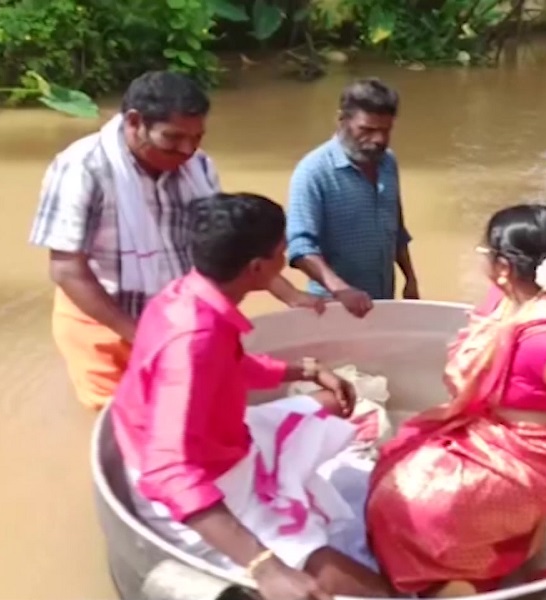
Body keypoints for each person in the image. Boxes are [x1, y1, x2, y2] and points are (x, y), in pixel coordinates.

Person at [365, 204, 546, 597]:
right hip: (498, 435)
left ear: (504, 266)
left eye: (485, 255)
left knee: (415, 507)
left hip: (538, 457)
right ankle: (490, 554)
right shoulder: (508, 303)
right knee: (398, 464)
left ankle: (450, 578)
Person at [111, 192, 392, 600]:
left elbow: (230, 366)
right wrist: (266, 567)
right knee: (363, 589)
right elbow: (168, 470)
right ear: (258, 268)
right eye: (282, 252)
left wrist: (306, 370)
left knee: (334, 404)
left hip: (224, 441)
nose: (285, 261)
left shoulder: (187, 295)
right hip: (198, 484)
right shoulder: (193, 339)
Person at [28, 70, 320, 410]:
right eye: (173, 138)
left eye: (196, 138)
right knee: (119, 423)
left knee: (188, 408)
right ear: (135, 122)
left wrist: (289, 294)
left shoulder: (198, 166)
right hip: (106, 324)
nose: (187, 150)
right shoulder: (82, 168)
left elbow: (228, 240)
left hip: (178, 323)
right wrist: (143, 336)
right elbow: (67, 270)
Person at [285, 78, 419, 318]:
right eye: (367, 130)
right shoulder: (313, 172)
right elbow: (300, 247)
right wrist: (341, 290)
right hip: (334, 306)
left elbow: (396, 229)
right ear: (342, 121)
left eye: (385, 130)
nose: (378, 139)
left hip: (383, 301)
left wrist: (410, 279)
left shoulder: (388, 162)